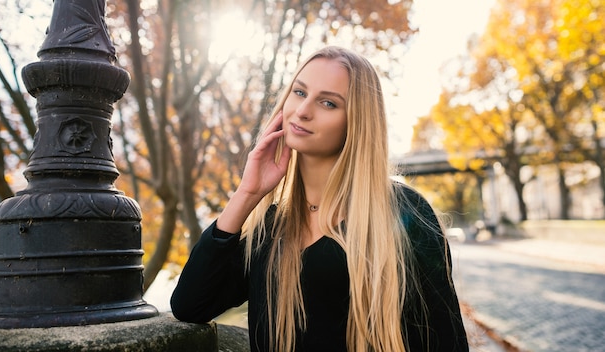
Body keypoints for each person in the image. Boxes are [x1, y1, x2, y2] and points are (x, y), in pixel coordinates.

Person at [171, 46, 469, 352]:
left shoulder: (403, 212)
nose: (303, 111)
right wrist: (247, 194)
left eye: (328, 103)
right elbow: (190, 305)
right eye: (299, 92)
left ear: (356, 122)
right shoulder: (268, 230)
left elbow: (448, 341)